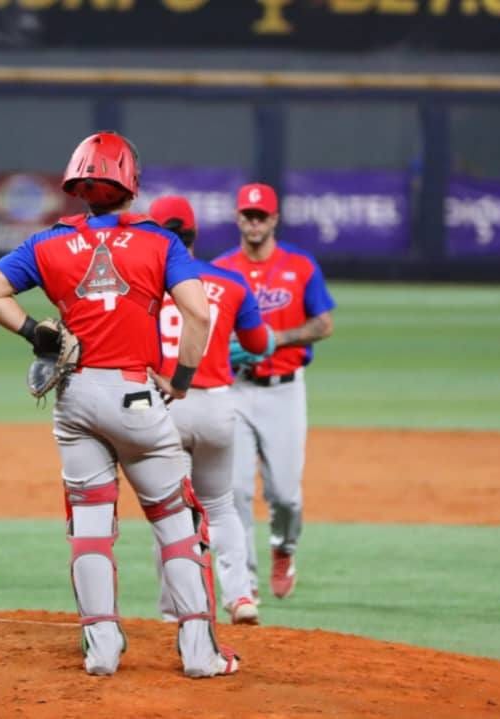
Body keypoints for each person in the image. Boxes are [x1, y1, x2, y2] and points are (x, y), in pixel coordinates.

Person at [0, 131, 239, 677]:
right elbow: (198, 314)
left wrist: (36, 333)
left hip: (74, 398)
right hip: (136, 396)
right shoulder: (160, 243)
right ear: (131, 183)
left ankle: (102, 651)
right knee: (175, 522)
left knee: (90, 525)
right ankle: (199, 653)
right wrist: (182, 379)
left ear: (78, 186)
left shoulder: (47, 243)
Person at [150, 195, 273, 626]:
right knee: (221, 506)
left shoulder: (144, 285)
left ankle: (176, 611)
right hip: (217, 405)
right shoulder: (230, 282)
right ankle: (240, 597)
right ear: (194, 234)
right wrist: (232, 343)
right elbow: (259, 344)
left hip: (165, 405)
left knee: (171, 512)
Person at [213, 183, 335, 601]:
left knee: (285, 494)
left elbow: (323, 324)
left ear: (274, 219)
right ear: (237, 218)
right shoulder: (221, 269)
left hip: (284, 392)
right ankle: (244, 586)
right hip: (235, 389)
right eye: (248, 215)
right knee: (236, 490)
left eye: (261, 216)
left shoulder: (300, 266)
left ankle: (284, 548)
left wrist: (275, 338)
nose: (254, 222)